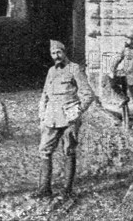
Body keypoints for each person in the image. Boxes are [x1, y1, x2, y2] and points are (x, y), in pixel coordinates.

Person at [34, 40, 94, 201]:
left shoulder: (74, 69)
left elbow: (88, 94)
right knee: (44, 150)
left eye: (59, 52)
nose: (56, 56)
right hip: (51, 118)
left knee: (69, 151)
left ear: (64, 52)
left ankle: (67, 189)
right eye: (53, 53)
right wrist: (42, 115)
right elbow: (45, 95)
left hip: (69, 118)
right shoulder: (51, 71)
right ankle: (44, 188)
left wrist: (77, 112)